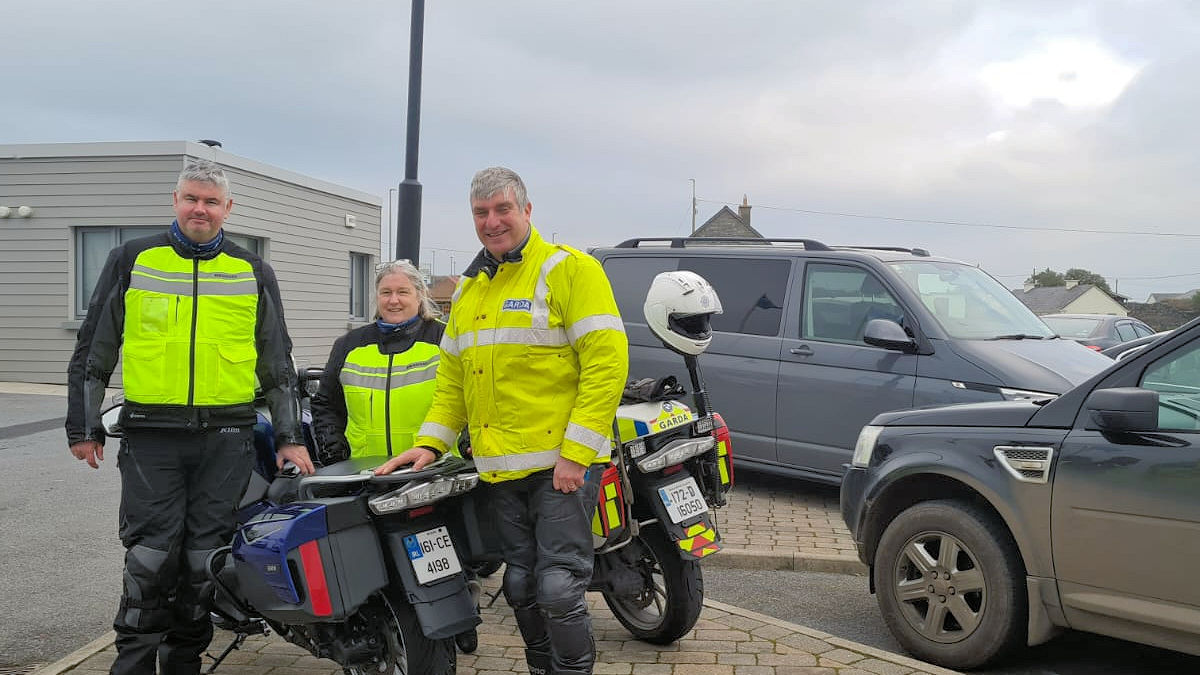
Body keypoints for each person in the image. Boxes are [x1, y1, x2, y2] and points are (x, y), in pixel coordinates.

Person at [375, 167, 629, 675]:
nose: (492, 222)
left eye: (502, 210)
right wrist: (430, 444)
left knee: (558, 588)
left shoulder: (568, 269)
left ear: (526, 211)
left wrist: (578, 453)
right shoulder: (470, 291)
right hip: (500, 471)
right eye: (481, 213)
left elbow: (607, 362)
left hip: (562, 466)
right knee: (520, 586)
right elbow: (453, 383)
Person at [65, 160, 313, 675]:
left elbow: (276, 360)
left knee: (206, 563)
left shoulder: (253, 270)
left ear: (228, 209)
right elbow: (95, 346)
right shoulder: (132, 258)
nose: (200, 209)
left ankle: (184, 663)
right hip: (152, 436)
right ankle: (133, 665)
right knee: (150, 561)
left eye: (211, 201)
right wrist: (83, 426)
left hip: (227, 437)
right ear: (174, 200)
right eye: (191, 199)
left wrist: (289, 437)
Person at [310, 259, 445, 466]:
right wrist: (335, 456)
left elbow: (473, 400)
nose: (393, 300)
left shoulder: (445, 339)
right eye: (386, 292)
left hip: (433, 472)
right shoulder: (349, 345)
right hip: (364, 473)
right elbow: (326, 404)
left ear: (419, 296)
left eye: (402, 292)